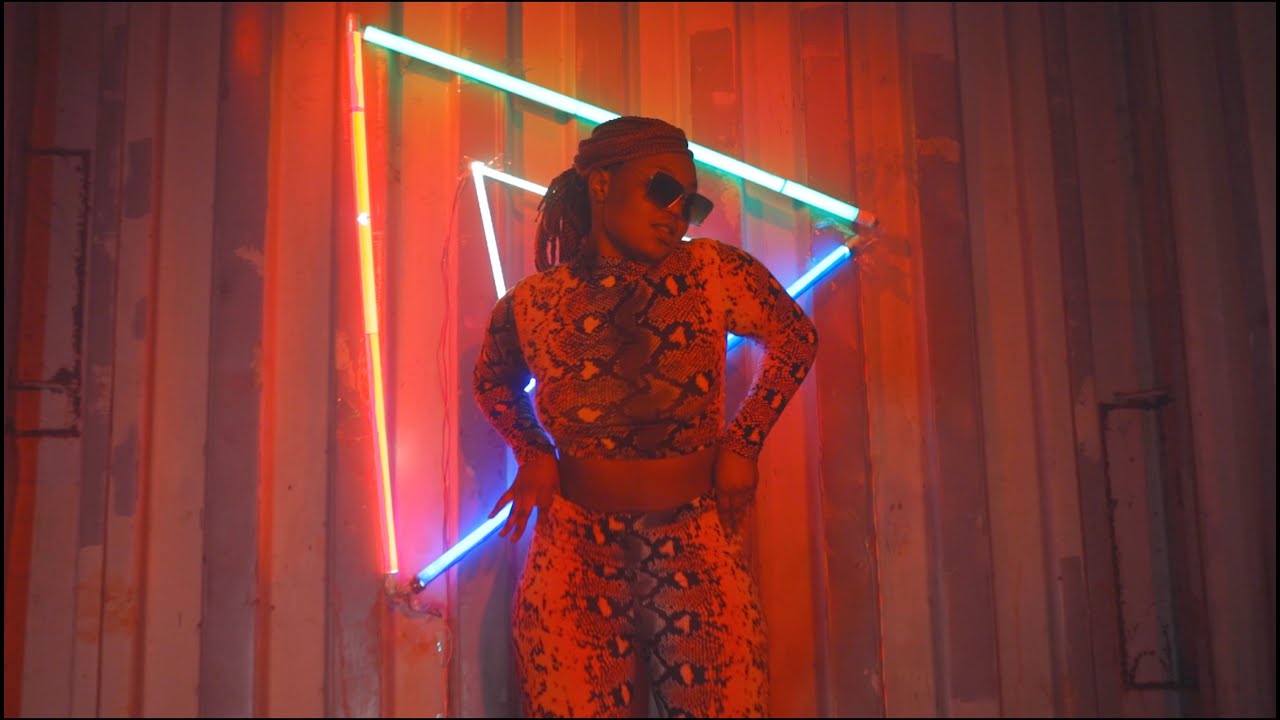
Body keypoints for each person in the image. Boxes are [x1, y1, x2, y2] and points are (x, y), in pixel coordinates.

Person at [473, 115, 819, 718]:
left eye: (691, 202)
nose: (677, 213)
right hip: (572, 549)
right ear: (601, 184)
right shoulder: (532, 302)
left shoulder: (713, 271)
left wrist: (743, 445)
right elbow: (492, 383)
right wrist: (534, 452)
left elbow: (795, 338)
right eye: (662, 190)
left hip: (695, 538)